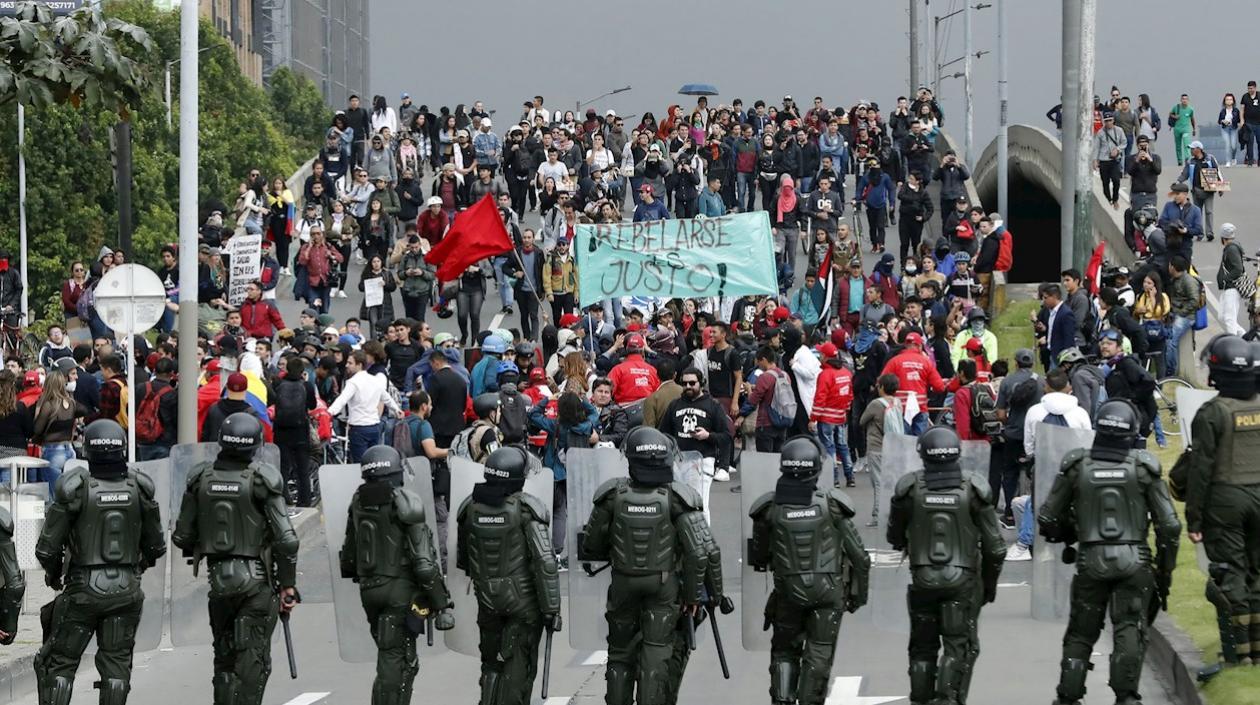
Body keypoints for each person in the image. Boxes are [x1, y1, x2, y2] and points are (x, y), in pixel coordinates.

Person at [1039, 400, 1180, 705]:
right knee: (1130, 626)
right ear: (1132, 431)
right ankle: (1126, 696)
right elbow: (1169, 525)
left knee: (1081, 631)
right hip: (1135, 558)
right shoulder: (1143, 468)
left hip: (1091, 558)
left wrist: (1068, 533)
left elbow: (1048, 517)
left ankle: (1068, 696)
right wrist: (1165, 568)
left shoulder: (1077, 466)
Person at [580, 426, 719, 705]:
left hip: (623, 582)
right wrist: (696, 596)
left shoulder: (611, 496)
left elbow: (591, 545)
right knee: (657, 649)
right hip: (663, 585)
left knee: (620, 653)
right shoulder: (678, 497)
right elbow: (700, 552)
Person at [32, 420, 164, 704]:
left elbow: (46, 549)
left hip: (82, 589)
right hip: (126, 588)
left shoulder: (76, 490)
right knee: (116, 666)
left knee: (59, 663)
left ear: (88, 450)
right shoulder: (139, 489)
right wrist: (137, 568)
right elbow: (156, 546)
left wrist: (54, 575)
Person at [172, 413, 298, 705]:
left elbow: (182, 536)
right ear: (256, 444)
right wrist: (288, 585)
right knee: (253, 663)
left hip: (219, 582)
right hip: (257, 582)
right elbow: (287, 539)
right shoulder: (262, 481)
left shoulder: (200, 478)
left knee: (225, 662)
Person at [887, 426, 1006, 705]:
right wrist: (989, 584)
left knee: (922, 648)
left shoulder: (909, 489)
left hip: (922, 579)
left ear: (923, 454)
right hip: (963, 581)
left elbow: (894, 535)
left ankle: (921, 699)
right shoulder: (973, 490)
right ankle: (949, 699)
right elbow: (996, 548)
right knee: (959, 646)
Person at [749, 435, 869, 705]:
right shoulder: (833, 505)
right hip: (828, 593)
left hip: (788, 592)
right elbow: (860, 558)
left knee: (784, 652)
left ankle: (782, 699)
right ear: (816, 469)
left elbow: (759, 557)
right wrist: (858, 597)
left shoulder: (769, 509)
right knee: (820, 653)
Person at [341, 445, 453, 705]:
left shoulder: (358, 501)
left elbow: (349, 555)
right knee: (398, 663)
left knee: (390, 655)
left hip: (369, 589)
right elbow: (424, 564)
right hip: (399, 591)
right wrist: (441, 604)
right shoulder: (405, 501)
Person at [1178, 335, 1260, 672]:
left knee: (1232, 574)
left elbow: (1200, 470)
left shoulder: (1212, 413)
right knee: (1257, 573)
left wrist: (1194, 519)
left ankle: (1240, 656)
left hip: (1226, 501)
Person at [456, 446, 562, 704]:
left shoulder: (469, 508)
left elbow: (464, 559)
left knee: (491, 665)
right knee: (519, 667)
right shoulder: (526, 509)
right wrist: (552, 609)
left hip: (487, 599)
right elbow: (545, 562)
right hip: (523, 603)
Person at [658, 367, 733, 495]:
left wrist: (707, 436)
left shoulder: (713, 405)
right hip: (679, 460)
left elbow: (726, 437)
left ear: (701, 383)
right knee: (679, 500)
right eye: (684, 383)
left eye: (692, 383)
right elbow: (664, 434)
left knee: (699, 502)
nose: (688, 386)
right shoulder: (674, 405)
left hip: (703, 460)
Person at [328, 351, 403, 462]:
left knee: (360, 463)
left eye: (350, 363)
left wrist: (328, 413)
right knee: (373, 462)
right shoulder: (375, 380)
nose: (346, 365)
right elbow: (386, 397)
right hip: (374, 427)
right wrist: (397, 409)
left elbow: (342, 400)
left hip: (359, 428)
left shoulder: (353, 382)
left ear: (359, 365)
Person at [273, 357, 317, 508]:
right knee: (302, 468)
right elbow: (312, 405)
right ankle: (304, 500)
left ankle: (283, 498)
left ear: (287, 369)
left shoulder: (278, 384)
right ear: (302, 371)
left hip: (281, 431)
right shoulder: (306, 385)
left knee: (283, 467)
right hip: (300, 431)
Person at [1217, 223, 1247, 336]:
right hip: (1228, 287)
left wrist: (1225, 279)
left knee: (1229, 319)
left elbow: (1238, 269)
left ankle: (1234, 342)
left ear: (1223, 237)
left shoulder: (1231, 249)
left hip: (1232, 287)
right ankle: (1245, 337)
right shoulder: (1230, 248)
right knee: (1223, 316)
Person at [1094, 112, 1126, 208]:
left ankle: (1115, 199)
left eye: (1110, 120)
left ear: (1113, 120)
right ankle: (1108, 200)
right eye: (1106, 121)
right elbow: (1096, 147)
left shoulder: (1119, 130)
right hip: (1104, 160)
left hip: (1114, 160)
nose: (1108, 123)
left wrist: (1118, 149)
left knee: (1116, 180)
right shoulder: (1100, 132)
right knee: (1105, 182)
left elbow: (1124, 142)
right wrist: (1095, 160)